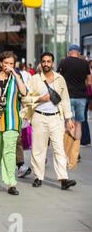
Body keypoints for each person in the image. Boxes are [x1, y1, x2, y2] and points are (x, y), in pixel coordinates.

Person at [21, 52, 77, 190]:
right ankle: (38, 177)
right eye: (44, 61)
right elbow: (25, 99)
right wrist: (40, 99)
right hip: (39, 117)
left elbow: (65, 99)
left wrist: (68, 119)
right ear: (40, 63)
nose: (46, 64)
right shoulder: (34, 79)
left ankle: (64, 179)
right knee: (38, 150)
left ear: (53, 63)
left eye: (49, 61)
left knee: (59, 149)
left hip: (56, 118)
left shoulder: (60, 79)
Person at [0, 51, 27, 196]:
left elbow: (24, 92)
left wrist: (16, 75)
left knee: (9, 151)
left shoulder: (17, 78)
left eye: (12, 64)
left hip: (12, 120)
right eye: (7, 63)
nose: (9, 66)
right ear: (1, 63)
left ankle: (11, 183)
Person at [57, 45, 92, 162]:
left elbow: (58, 78)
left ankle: (69, 151)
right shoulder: (85, 63)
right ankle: (76, 152)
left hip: (67, 97)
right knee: (78, 124)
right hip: (82, 96)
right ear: (79, 53)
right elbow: (89, 82)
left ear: (69, 52)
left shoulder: (63, 62)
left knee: (68, 123)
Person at [80, 60, 92, 147]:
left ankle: (84, 140)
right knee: (84, 119)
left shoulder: (87, 73)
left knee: (82, 119)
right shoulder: (88, 72)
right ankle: (86, 139)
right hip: (87, 96)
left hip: (84, 96)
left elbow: (89, 83)